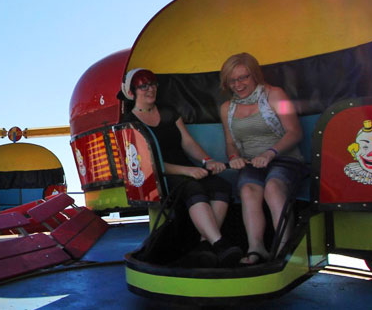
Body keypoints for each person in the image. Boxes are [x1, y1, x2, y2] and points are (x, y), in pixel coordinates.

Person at [120, 68, 242, 267]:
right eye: (143, 86)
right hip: (160, 177)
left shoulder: (168, 111)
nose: (150, 89)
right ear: (132, 92)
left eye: (152, 84)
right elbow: (146, 164)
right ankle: (219, 244)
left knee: (221, 187)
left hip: (187, 170)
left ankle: (204, 245)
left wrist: (207, 160)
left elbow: (187, 142)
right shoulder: (129, 123)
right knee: (193, 188)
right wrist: (187, 171)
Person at [219, 53, 305, 265]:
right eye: (232, 80)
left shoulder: (277, 95)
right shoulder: (226, 108)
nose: (238, 85)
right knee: (248, 190)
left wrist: (270, 153)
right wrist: (234, 157)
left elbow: (294, 132)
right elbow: (230, 142)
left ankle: (284, 248)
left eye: (243, 78)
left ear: (255, 75)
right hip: (251, 163)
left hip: (283, 159)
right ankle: (256, 248)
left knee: (273, 187)